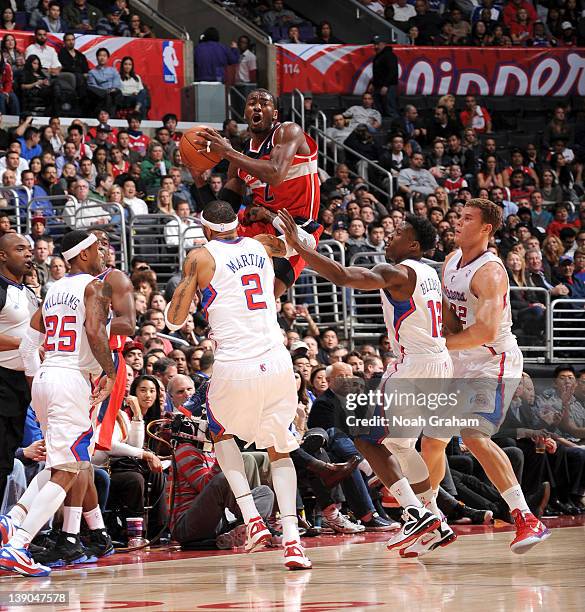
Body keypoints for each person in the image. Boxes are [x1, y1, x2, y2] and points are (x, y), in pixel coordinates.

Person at [279, 209, 455, 558]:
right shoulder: (430, 275)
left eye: (398, 232)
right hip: (441, 364)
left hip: (414, 366)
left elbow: (343, 275)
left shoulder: (398, 271)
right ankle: (434, 516)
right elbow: (450, 321)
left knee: (364, 434)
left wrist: (300, 248)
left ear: (414, 244)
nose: (390, 235)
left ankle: (416, 514)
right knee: (403, 447)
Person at [165, 200, 313, 570]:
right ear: (235, 224)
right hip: (277, 359)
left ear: (206, 229)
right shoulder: (263, 244)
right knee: (280, 448)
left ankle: (252, 520)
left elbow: (173, 320)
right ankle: (293, 542)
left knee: (220, 432)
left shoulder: (201, 256)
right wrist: (273, 220)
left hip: (235, 362)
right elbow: (302, 241)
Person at [0, 230, 115, 577]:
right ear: (82, 255)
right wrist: (109, 374)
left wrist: (39, 381)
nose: (102, 254)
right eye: (97, 249)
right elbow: (95, 333)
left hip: (48, 377)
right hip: (69, 379)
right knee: (68, 468)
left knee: (63, 463)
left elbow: (26, 347)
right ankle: (18, 545)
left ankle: (13, 520)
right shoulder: (95, 286)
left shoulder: (51, 291)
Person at [438, 198, 551, 553]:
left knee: (473, 434)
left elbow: (485, 331)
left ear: (486, 228)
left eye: (467, 218)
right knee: (431, 438)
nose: (458, 222)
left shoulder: (491, 272)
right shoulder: (450, 261)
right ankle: (425, 518)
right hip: (460, 358)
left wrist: (439, 345)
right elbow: (451, 319)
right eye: (459, 215)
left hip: (493, 360)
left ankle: (525, 516)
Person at [199, 88, 322, 297]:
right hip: (260, 223)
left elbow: (275, 175)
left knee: (265, 295)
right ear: (246, 113)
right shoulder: (242, 155)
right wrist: (198, 179)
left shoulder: (288, 131)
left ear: (274, 114)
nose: (257, 106)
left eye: (264, 103)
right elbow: (222, 211)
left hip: (296, 226)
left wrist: (228, 152)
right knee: (210, 240)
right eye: (252, 103)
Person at [0, 235, 38, 507]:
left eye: (29, 249)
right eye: (20, 249)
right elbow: (27, 340)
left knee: (4, 463)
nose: (28, 254)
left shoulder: (30, 293)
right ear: (2, 255)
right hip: (1, 378)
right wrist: (25, 343)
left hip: (22, 383)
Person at [87, 47, 122, 116]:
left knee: (117, 93)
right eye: (100, 55)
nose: (102, 58)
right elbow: (92, 86)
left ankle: (110, 115)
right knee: (106, 96)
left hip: (113, 92)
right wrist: (105, 91)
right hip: (101, 92)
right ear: (97, 58)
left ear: (107, 58)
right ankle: (110, 116)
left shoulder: (113, 70)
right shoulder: (92, 72)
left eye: (104, 56)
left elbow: (117, 82)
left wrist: (113, 89)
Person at [371, 36, 398, 118]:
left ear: (383, 44)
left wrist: (386, 85)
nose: (375, 47)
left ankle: (397, 127)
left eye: (377, 44)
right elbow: (377, 72)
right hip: (378, 86)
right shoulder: (378, 56)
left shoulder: (389, 55)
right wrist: (373, 83)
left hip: (387, 86)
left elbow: (393, 72)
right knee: (378, 110)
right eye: (374, 44)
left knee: (390, 109)